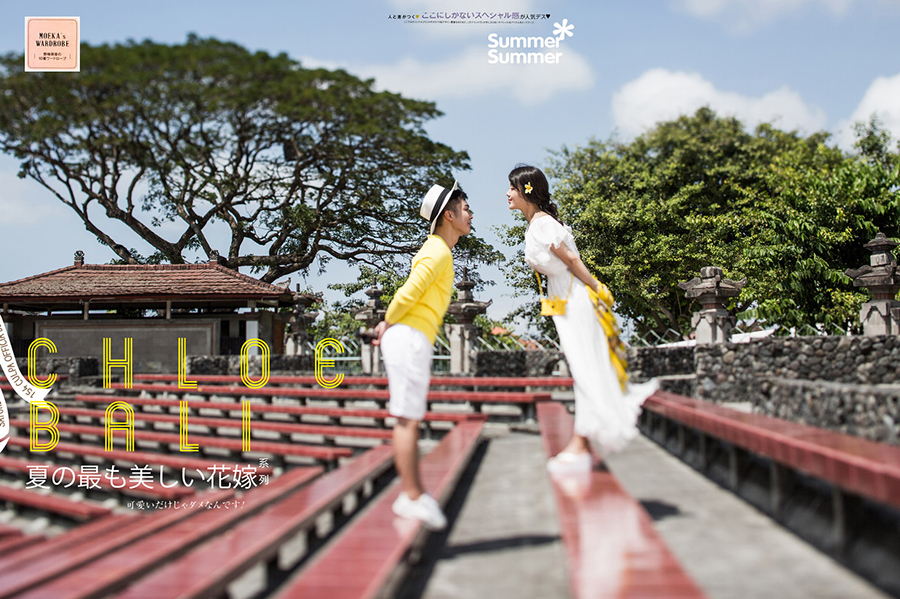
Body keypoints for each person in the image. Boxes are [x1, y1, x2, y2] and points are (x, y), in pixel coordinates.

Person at [506, 165, 658, 472]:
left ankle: (581, 444)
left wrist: (596, 287)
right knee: (582, 366)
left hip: (574, 297)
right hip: (564, 297)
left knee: (585, 366)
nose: (507, 194)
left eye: (512, 188)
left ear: (526, 191)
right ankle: (582, 444)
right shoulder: (537, 224)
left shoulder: (542, 224)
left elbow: (572, 259)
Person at [372, 181, 473, 530]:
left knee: (409, 418)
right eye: (465, 208)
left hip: (412, 336)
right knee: (407, 419)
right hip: (409, 336)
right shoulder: (438, 250)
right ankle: (412, 497)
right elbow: (408, 292)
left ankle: (412, 495)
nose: (470, 214)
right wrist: (387, 322)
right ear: (449, 215)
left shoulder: (439, 249)